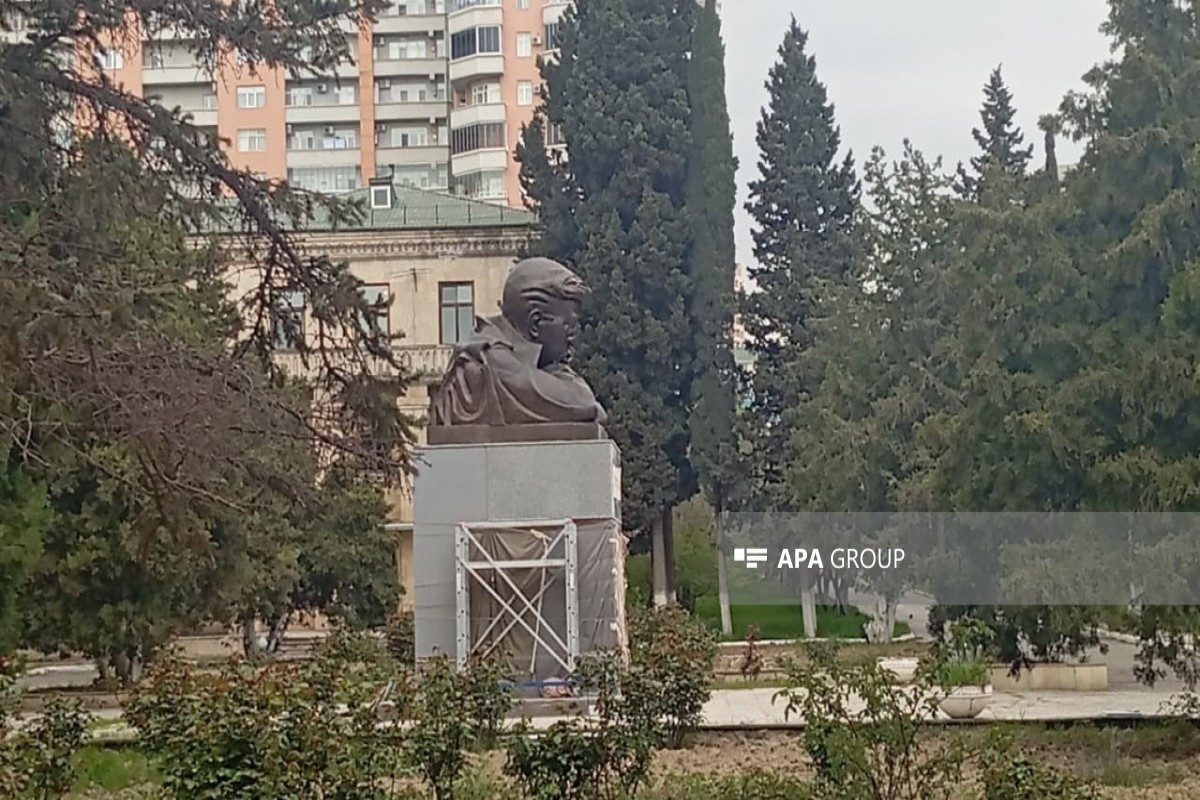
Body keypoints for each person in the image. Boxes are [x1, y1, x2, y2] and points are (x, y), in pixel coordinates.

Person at [431, 257, 607, 427]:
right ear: (535, 323)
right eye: (569, 325)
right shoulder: (490, 362)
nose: (573, 337)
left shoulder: (523, 360)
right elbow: (583, 404)